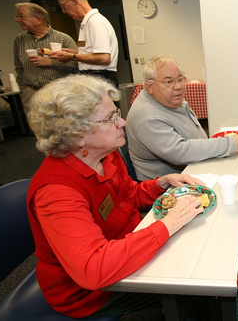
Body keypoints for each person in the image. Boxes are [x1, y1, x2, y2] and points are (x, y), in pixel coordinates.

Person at [26, 74, 206, 318]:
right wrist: (169, 224)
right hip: (88, 293)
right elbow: (94, 269)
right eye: (110, 118)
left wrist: (161, 183)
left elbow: (127, 196)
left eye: (116, 113)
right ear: (78, 135)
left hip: (124, 247)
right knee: (195, 278)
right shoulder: (57, 192)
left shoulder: (104, 155)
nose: (121, 122)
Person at [126, 55, 238, 181]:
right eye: (168, 82)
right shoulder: (147, 116)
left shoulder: (165, 97)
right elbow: (180, 152)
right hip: (167, 187)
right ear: (149, 86)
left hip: (193, 167)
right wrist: (231, 144)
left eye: (180, 79)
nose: (178, 86)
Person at [13, 2, 77, 112]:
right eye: (17, 16)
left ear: (38, 19)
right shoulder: (20, 40)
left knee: (63, 126)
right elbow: (18, 67)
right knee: (36, 127)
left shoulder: (63, 39)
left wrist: (50, 63)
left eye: (21, 16)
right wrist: (24, 89)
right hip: (31, 94)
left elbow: (76, 67)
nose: (18, 20)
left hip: (58, 93)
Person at [52, 0, 119, 87]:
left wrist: (72, 57)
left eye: (63, 6)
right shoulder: (86, 23)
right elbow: (95, 51)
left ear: (74, 1)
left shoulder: (96, 22)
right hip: (94, 77)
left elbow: (104, 58)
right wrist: (74, 52)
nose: (63, 11)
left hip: (99, 77)